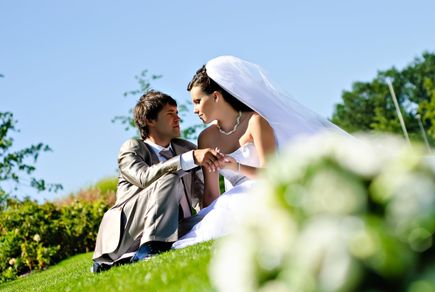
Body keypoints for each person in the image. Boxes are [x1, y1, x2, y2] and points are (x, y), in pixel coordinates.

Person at [172, 56, 353, 249]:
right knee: (212, 226)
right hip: (231, 200)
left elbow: (273, 174)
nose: (194, 110)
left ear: (216, 96)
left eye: (198, 101)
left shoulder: (255, 122)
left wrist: (237, 166)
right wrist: (208, 216)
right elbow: (212, 192)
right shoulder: (206, 138)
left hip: (265, 188)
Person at [92, 90, 224, 272]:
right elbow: (143, 177)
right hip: (130, 235)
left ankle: (159, 245)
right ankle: (149, 249)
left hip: (177, 227)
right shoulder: (132, 148)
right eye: (170, 114)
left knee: (225, 218)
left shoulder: (185, 148)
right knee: (168, 177)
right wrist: (189, 159)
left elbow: (201, 198)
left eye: (177, 113)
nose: (177, 118)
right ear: (149, 120)